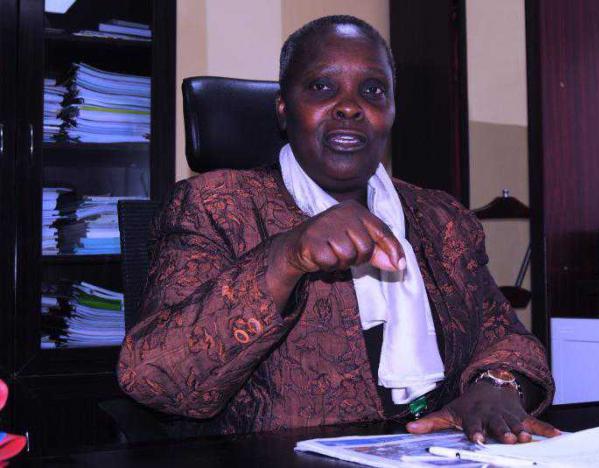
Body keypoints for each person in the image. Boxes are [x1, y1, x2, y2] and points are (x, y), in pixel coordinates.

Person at [118, 15, 557, 444]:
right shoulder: (215, 206)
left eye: (373, 90)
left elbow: (508, 338)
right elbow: (155, 377)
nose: (350, 106)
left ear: (391, 112)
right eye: (322, 87)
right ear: (283, 108)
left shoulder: (443, 218)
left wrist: (495, 386)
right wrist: (286, 257)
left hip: (435, 453)